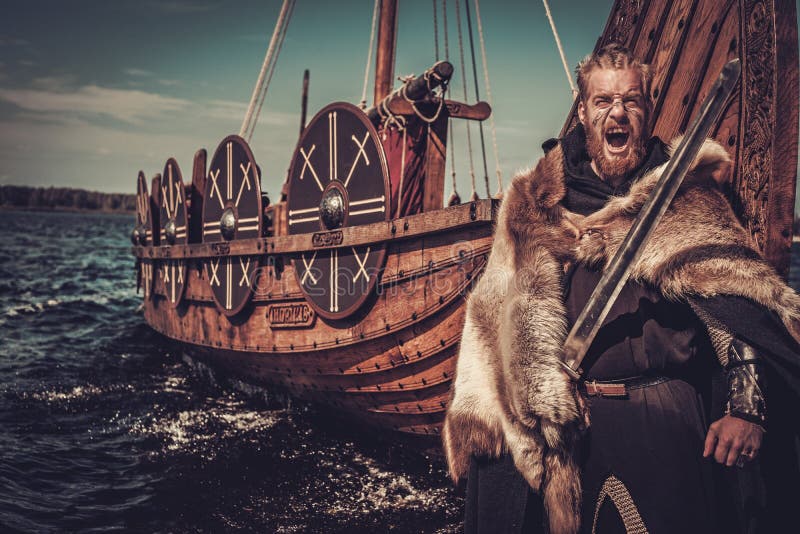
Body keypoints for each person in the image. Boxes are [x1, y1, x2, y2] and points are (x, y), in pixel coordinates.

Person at [442, 43, 800, 534]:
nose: (618, 112)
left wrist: (746, 408)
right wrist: (486, 416)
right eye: (604, 101)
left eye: (631, 100)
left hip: (668, 423)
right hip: (572, 432)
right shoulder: (537, 202)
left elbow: (736, 308)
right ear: (583, 111)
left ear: (648, 109)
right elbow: (491, 315)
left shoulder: (685, 195)